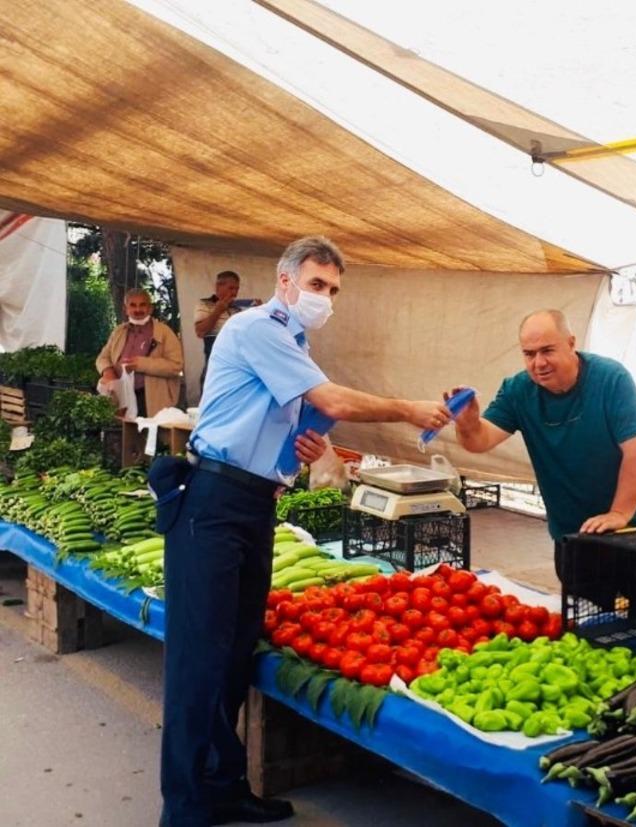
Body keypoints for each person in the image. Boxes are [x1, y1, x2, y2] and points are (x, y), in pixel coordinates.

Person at [154, 236, 451, 827]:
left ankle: (224, 786)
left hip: (253, 505)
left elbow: (288, 418)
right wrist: (407, 409)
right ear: (285, 281)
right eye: (317, 285)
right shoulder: (256, 328)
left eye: (334, 289)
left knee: (235, 652)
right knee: (199, 660)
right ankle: (184, 807)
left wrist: (300, 450)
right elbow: (331, 398)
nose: (325, 298)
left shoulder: (295, 344)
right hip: (212, 503)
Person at [451, 309, 636, 551]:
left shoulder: (611, 379)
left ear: (571, 343)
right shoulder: (517, 390)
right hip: (572, 532)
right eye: (529, 354)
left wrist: (619, 513)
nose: (539, 363)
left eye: (547, 351)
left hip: (635, 526)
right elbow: (479, 441)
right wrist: (467, 423)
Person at [96, 287, 184, 418]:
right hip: (121, 397)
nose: (138, 309)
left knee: (150, 431)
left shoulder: (164, 332)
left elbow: (176, 366)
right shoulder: (119, 331)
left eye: (142, 305)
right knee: (124, 430)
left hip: (152, 399)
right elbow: (103, 357)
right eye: (133, 305)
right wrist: (108, 371)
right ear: (125, 309)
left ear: (150, 308)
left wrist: (141, 364)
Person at [193, 270, 255, 391]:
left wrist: (258, 312)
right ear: (218, 287)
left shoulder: (237, 309)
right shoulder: (204, 304)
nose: (234, 293)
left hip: (237, 366)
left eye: (237, 289)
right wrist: (218, 311)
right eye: (231, 288)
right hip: (215, 364)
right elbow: (200, 331)